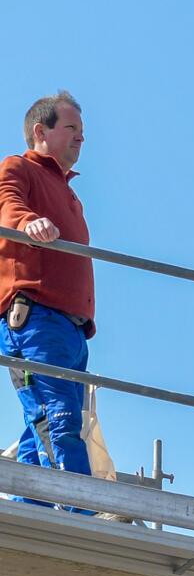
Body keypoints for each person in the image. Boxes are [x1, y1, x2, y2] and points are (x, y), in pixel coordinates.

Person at [0, 90, 95, 509]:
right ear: (41, 132)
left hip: (68, 327)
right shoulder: (18, 168)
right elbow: (7, 205)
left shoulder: (68, 192)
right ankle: (77, 505)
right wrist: (28, 222)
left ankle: (30, 504)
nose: (80, 138)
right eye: (71, 128)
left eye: (82, 131)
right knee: (56, 415)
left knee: (44, 414)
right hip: (37, 317)